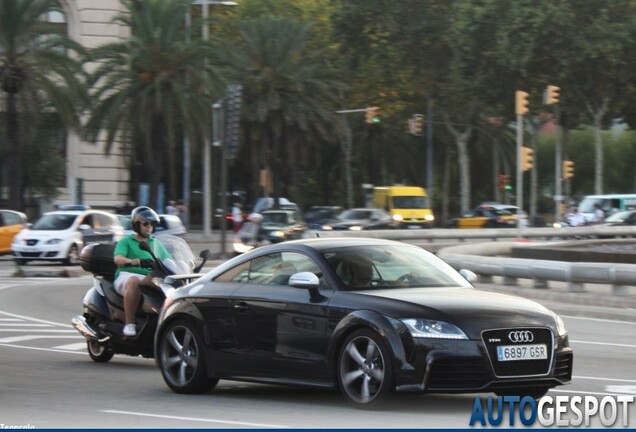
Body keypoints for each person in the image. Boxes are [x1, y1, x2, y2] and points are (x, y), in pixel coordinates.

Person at [113, 206, 168, 337]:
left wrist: (184, 265)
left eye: (152, 224)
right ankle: (129, 323)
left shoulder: (156, 244)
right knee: (134, 281)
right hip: (126, 275)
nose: (149, 227)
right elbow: (118, 258)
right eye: (145, 224)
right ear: (136, 225)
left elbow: (168, 260)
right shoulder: (126, 241)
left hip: (149, 277)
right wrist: (132, 261)